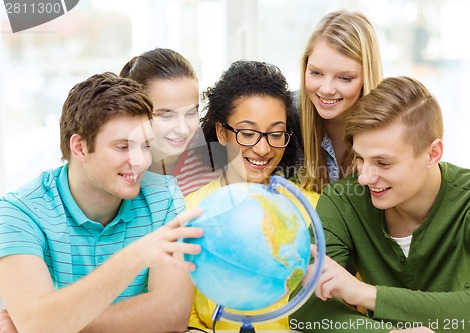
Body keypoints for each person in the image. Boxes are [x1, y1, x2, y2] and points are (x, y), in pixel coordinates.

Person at [290, 76, 470, 333]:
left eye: (384, 163)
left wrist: (364, 294)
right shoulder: (341, 201)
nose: (365, 177)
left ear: (432, 154)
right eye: (360, 158)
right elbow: (304, 309)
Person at [0, 72, 204, 333]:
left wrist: (57, 322)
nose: (141, 161)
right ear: (80, 147)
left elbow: (172, 314)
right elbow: (38, 324)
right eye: (123, 147)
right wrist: (132, 258)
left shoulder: (163, 196)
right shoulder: (18, 213)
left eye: (144, 145)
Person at [187, 60, 320, 331]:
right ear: (222, 132)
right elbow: (184, 318)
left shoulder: (315, 210)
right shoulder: (190, 211)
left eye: (276, 134)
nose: (262, 149)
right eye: (248, 133)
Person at [297, 9, 384, 193]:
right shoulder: (284, 116)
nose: (326, 89)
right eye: (316, 73)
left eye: (345, 78)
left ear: (366, 78)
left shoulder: (391, 126)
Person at [120, 48, 220, 196]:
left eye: (191, 113)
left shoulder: (214, 157)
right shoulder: (119, 166)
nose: (183, 129)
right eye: (166, 116)